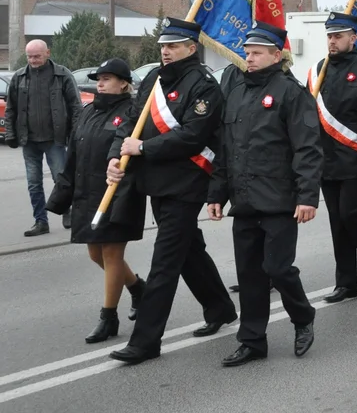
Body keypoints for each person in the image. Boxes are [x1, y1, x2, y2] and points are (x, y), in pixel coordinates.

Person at [107, 18, 237, 365]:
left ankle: (146, 341)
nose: (165, 51)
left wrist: (144, 150)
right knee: (188, 249)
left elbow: (193, 136)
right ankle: (220, 307)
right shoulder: (153, 79)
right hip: (155, 182)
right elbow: (131, 123)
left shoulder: (204, 85)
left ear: (191, 48)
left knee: (164, 262)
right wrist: (116, 157)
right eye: (163, 46)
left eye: (173, 46)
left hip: (187, 182)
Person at [208, 22, 321, 366]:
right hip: (244, 201)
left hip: (279, 200)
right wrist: (217, 193)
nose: (250, 58)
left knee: (277, 268)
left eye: (257, 53)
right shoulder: (237, 92)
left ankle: (303, 317)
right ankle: (253, 340)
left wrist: (307, 196)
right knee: (250, 275)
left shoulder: (290, 92)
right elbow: (226, 149)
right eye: (247, 52)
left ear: (277, 55)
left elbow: (307, 148)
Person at [46, 58, 146, 344]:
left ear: (123, 83)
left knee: (112, 254)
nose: (100, 83)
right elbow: (72, 158)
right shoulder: (88, 112)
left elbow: (128, 151)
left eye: (107, 78)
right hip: (87, 195)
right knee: (95, 254)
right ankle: (138, 287)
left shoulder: (131, 112)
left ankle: (108, 317)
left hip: (118, 194)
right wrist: (60, 197)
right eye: (98, 78)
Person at [308, 12, 357, 303]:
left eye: (338, 36)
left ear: (353, 38)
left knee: (350, 215)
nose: (332, 40)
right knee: (336, 222)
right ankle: (345, 283)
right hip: (326, 160)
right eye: (330, 35)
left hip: (356, 158)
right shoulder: (319, 71)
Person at [6, 39, 83, 236]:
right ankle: (40, 221)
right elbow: (11, 109)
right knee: (33, 183)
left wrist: (76, 135)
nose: (33, 60)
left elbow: (75, 106)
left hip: (55, 140)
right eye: (30, 56)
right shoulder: (19, 77)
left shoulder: (62, 75)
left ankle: (67, 211)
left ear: (47, 53)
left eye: (37, 56)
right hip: (29, 141)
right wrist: (11, 134)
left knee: (61, 178)